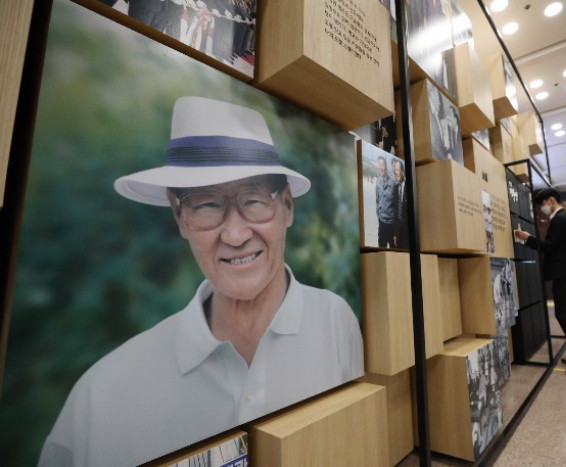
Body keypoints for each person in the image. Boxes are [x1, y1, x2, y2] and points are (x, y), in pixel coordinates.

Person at [38, 97, 364, 467]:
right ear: (179, 217)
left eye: (254, 200)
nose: (236, 234)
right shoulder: (103, 395)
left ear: (286, 207)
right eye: (206, 205)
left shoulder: (336, 321)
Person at [515, 188, 566, 376]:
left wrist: (528, 239)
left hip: (563, 273)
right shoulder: (561, 218)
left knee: (564, 315)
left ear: (551, 200)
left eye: (542, 204)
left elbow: (549, 246)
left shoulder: (560, 219)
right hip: (564, 273)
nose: (542, 208)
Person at [375, 155, 396, 248]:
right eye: (379, 165)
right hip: (382, 223)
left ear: (386, 166)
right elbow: (377, 199)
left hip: (391, 224)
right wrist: (378, 213)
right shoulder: (378, 181)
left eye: (382, 165)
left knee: (393, 251)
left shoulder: (393, 183)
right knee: (381, 250)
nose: (381, 167)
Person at [392, 159, 408, 249]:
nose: (396, 173)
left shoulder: (410, 187)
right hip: (399, 231)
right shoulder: (395, 188)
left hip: (409, 231)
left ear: (402, 171)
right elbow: (396, 213)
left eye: (397, 170)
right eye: (395, 171)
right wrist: (395, 233)